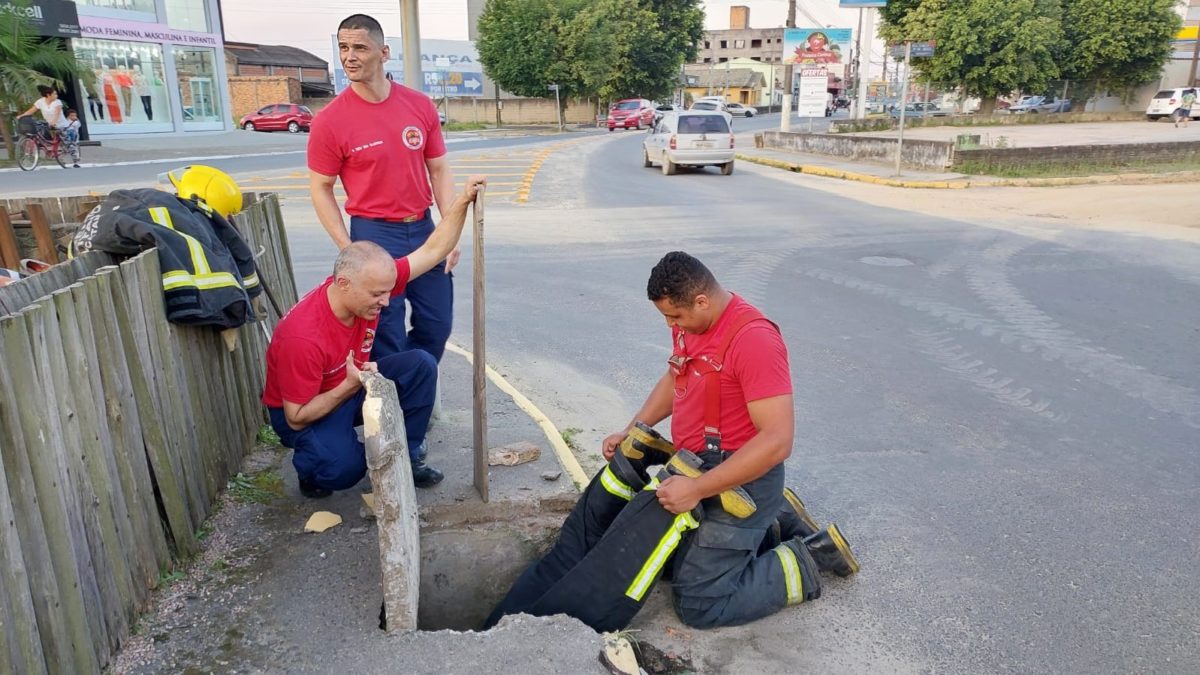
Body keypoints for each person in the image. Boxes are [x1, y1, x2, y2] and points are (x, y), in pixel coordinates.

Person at [485, 252, 858, 632]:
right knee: (659, 562)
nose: (670, 325)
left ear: (702, 300)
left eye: (675, 317)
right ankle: (774, 518)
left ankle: (809, 557)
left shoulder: (754, 341)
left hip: (740, 478)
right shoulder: (692, 324)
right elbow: (675, 377)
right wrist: (634, 428)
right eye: (666, 317)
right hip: (696, 467)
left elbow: (778, 441)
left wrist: (697, 489)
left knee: (701, 603)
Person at [263, 176, 486, 498]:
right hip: (306, 409)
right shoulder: (303, 338)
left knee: (421, 364)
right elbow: (296, 418)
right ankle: (313, 470)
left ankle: (406, 457)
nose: (386, 301)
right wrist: (349, 385)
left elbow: (434, 249)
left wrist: (462, 201)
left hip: (349, 383)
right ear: (343, 285)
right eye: (377, 295)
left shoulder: (369, 284)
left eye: (387, 292)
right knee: (342, 468)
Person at [308, 13, 458, 364]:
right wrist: (349, 249)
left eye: (360, 47)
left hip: (424, 230)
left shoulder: (419, 106)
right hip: (373, 234)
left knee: (437, 323)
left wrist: (450, 232)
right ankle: (399, 409)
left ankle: (420, 385)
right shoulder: (330, 121)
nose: (350, 56)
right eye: (343, 48)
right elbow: (321, 188)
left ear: (384, 52)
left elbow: (438, 170)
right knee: (384, 331)